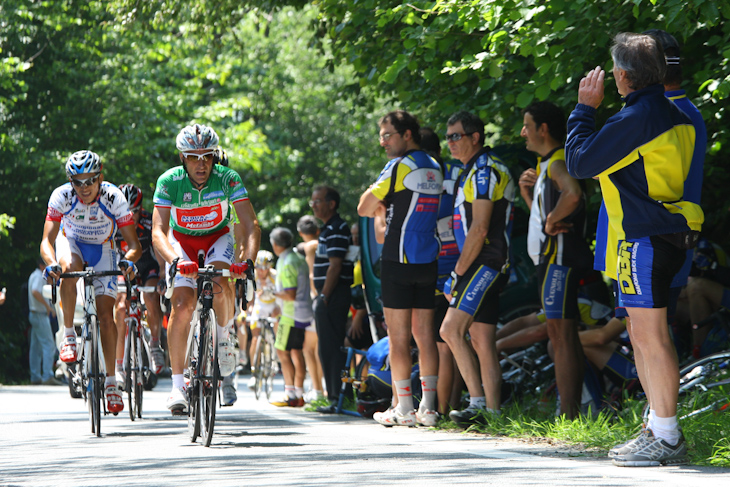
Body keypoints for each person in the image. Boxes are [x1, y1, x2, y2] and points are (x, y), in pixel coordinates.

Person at [565, 33, 703, 467]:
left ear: (623, 76)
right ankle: (657, 427)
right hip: (663, 234)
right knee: (645, 338)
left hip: (644, 237)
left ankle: (665, 435)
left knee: (649, 337)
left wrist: (585, 109)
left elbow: (580, 163)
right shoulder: (673, 112)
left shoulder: (638, 117)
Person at [152, 123, 260, 414]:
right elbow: (159, 231)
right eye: (193, 157)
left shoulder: (228, 179)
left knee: (221, 283)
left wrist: (247, 262)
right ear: (182, 158)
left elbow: (250, 225)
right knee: (182, 305)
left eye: (207, 156)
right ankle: (177, 386)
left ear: (215, 156)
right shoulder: (169, 181)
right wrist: (175, 260)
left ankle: (224, 339)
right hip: (182, 243)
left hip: (217, 237)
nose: (201, 164)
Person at [357, 110, 443, 427]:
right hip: (428, 260)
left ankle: (404, 408)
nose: (383, 142)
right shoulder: (435, 165)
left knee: (398, 338)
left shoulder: (398, 166)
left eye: (387, 134)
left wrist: (381, 200)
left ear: (407, 134)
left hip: (397, 259)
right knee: (425, 336)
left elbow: (364, 207)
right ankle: (430, 408)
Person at [41, 150, 142, 413]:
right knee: (69, 268)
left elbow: (133, 245)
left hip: (103, 248)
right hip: (71, 241)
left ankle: (111, 382)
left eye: (90, 181)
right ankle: (69, 335)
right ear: (70, 182)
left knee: (106, 317)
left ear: (100, 178)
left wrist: (128, 260)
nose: (84, 188)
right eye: (78, 182)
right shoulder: (61, 196)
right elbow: (46, 241)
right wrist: (51, 262)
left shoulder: (113, 197)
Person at [438, 111, 515, 427]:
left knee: (449, 330)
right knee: (482, 338)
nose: (450, 143)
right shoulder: (470, 171)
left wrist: (457, 272)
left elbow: (480, 228)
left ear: (475, 137)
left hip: (485, 263)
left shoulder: (485, 171)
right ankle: (493, 413)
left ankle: (478, 403)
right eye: (448, 137)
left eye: (456, 136)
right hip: (484, 262)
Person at [518, 101, 594, 418]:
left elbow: (573, 193)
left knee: (559, 336)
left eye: (526, 125)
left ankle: (569, 416)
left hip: (558, 259)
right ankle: (574, 412)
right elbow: (543, 215)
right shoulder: (547, 164)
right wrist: (530, 197)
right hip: (551, 260)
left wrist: (551, 222)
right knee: (563, 336)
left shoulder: (558, 161)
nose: (522, 132)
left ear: (543, 129)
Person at [421, 126, 463, 414]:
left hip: (430, 267)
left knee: (438, 342)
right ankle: (451, 407)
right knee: (452, 341)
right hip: (462, 265)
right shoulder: (460, 172)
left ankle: (437, 409)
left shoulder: (419, 177)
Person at [113, 184, 166, 389]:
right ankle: (118, 366)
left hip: (147, 266)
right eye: (126, 211)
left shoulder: (148, 220)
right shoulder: (113, 221)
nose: (131, 216)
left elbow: (159, 249)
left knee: (152, 298)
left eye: (134, 211)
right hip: (123, 268)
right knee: (119, 307)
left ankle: (154, 344)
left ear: (140, 208)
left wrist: (162, 273)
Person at [310, 185, 353, 413]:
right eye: (312, 202)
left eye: (318, 201)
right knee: (329, 347)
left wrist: (324, 295)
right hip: (329, 295)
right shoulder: (328, 228)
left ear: (331, 203)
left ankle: (338, 396)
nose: (314, 205)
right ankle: (337, 395)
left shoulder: (337, 227)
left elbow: (335, 266)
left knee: (332, 347)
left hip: (333, 295)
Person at [269, 227, 311, 407]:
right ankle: (298, 393)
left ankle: (291, 393)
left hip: (290, 314)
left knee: (282, 352)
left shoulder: (286, 262)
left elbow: (290, 294)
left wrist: (273, 293)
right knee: (296, 352)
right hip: (302, 312)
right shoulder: (298, 258)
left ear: (275, 244)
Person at [296, 215, 325, 402]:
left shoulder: (309, 247)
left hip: (314, 299)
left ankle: (318, 389)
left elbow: (313, 274)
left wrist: (313, 295)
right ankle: (320, 387)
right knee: (316, 347)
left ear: (300, 233)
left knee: (310, 348)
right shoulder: (322, 241)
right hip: (324, 298)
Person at [246, 249, 280, 392]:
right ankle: (254, 370)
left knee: (277, 325)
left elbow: (281, 294)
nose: (261, 271)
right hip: (260, 305)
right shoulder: (252, 276)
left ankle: (275, 356)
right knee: (255, 338)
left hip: (274, 304)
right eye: (258, 268)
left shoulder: (275, 276)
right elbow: (249, 297)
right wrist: (248, 309)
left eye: (264, 268)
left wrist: (278, 308)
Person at [27, 258, 63, 385]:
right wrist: (48, 307)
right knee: (49, 344)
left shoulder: (33, 275)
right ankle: (47, 375)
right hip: (39, 314)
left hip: (34, 314)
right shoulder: (38, 276)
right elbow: (35, 291)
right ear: (42, 265)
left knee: (35, 347)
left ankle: (35, 376)